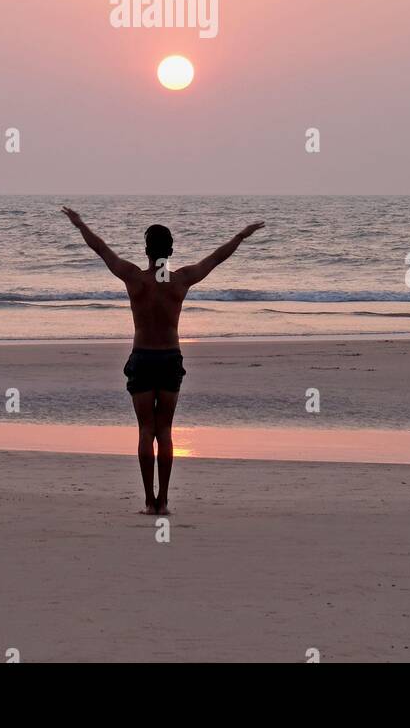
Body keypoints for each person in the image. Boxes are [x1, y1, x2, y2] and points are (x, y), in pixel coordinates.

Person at [60, 207, 264, 514]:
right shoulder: (181, 279)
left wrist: (79, 224)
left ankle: (148, 502)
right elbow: (216, 258)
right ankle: (164, 502)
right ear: (171, 250)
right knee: (165, 431)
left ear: (146, 250)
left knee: (146, 431)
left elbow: (101, 249)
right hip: (169, 358)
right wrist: (241, 235)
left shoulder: (133, 277)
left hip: (142, 358)